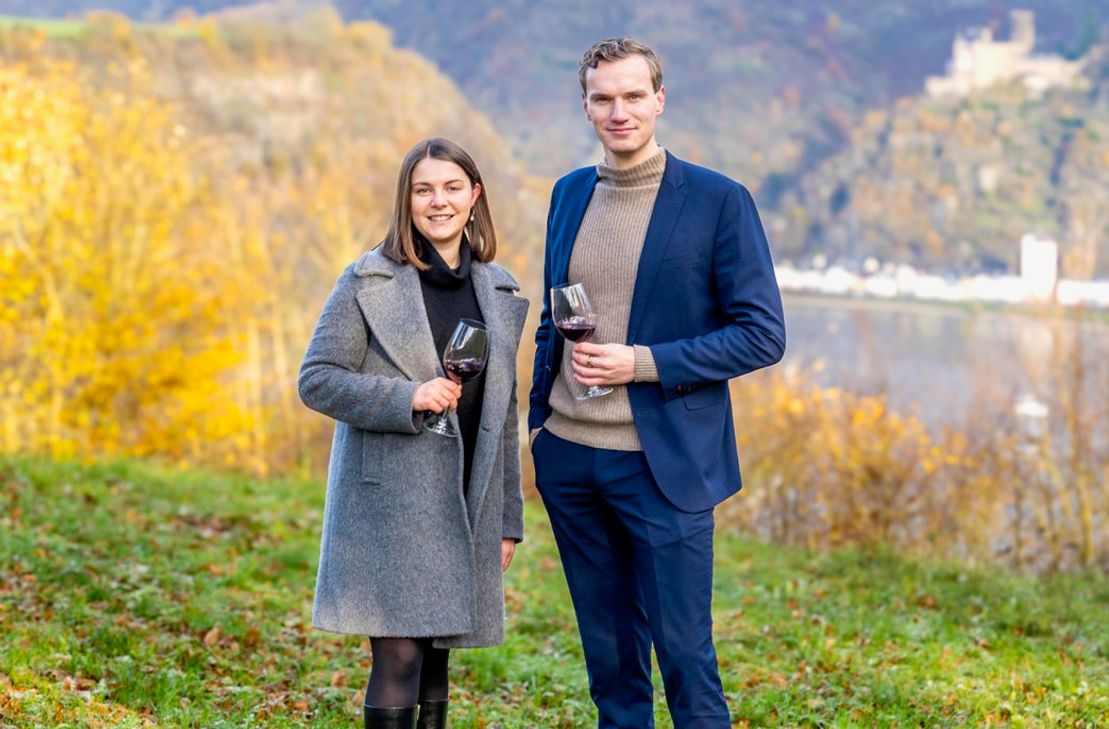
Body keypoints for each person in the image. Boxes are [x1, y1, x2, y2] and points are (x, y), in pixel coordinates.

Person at [528, 37, 786, 728]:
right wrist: (537, 428)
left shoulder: (717, 200)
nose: (619, 111)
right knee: (609, 656)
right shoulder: (567, 192)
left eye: (633, 96)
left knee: (683, 654)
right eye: (603, 98)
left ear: (659, 99)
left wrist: (639, 362)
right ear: (584, 105)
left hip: (660, 464)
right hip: (570, 459)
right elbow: (554, 318)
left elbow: (762, 334)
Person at [299, 138, 530, 729]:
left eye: (452, 187)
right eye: (423, 189)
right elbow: (318, 380)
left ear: (474, 196)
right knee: (399, 656)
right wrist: (408, 396)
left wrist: (507, 520)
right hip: (388, 504)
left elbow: (501, 416)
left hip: (463, 502)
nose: (438, 201)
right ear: (407, 200)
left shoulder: (498, 291)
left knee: (435, 661)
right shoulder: (366, 280)